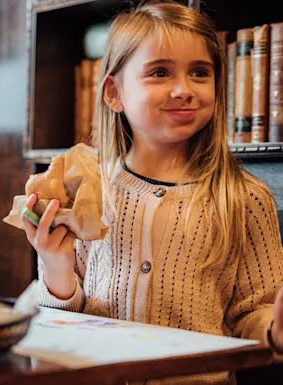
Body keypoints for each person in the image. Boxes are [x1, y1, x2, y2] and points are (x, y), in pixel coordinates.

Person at [23, 1, 283, 383]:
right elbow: (59, 324)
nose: (183, 89)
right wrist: (54, 263)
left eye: (200, 72)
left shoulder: (245, 198)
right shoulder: (84, 189)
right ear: (114, 93)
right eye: (160, 72)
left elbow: (254, 313)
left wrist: (275, 330)